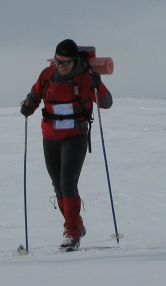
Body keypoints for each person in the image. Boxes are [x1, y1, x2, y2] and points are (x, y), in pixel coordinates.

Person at [20, 39, 113, 250]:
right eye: (57, 61)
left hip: (74, 136)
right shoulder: (47, 74)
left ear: (74, 62)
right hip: (49, 136)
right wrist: (28, 105)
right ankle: (76, 225)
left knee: (66, 182)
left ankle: (71, 231)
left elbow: (106, 103)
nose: (61, 66)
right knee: (57, 185)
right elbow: (35, 94)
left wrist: (98, 84)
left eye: (65, 62)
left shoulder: (86, 78)